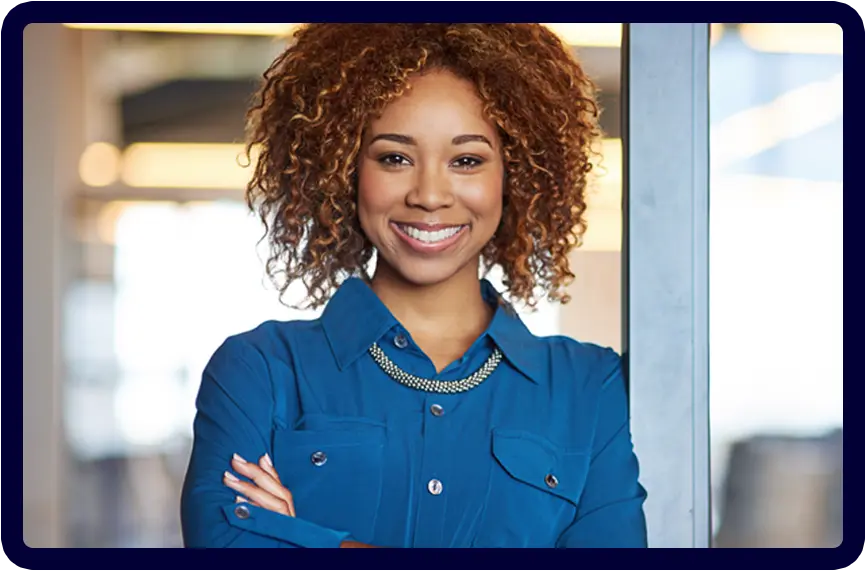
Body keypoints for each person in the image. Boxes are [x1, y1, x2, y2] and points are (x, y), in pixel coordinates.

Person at [179, 22, 648, 548]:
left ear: (514, 174)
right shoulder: (259, 371)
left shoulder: (589, 388)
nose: (429, 194)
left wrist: (307, 541)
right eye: (395, 157)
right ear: (344, 170)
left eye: (467, 160)